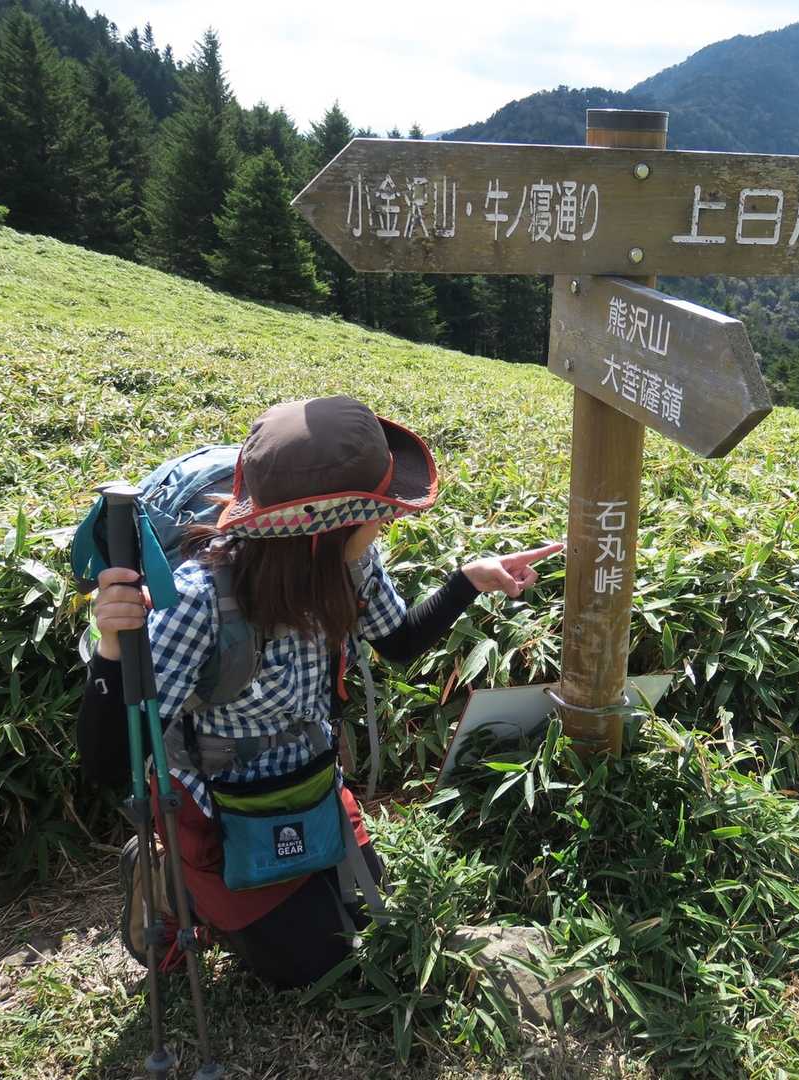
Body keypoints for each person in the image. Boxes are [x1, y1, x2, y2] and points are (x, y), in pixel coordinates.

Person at [76, 395, 560, 988]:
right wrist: (113, 646)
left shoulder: (350, 564)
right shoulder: (201, 600)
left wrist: (468, 581)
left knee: (369, 927)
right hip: (218, 806)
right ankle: (174, 884)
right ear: (326, 530)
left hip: (309, 782)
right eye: (378, 513)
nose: (387, 523)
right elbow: (108, 761)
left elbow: (400, 640)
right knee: (316, 967)